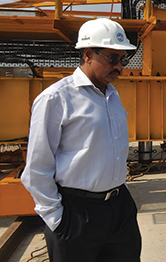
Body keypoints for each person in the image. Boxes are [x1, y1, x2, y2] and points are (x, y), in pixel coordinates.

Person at [22, 18, 141, 262]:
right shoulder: (56, 98)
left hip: (119, 210)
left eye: (123, 60)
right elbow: (37, 168)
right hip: (77, 214)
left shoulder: (112, 95)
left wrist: (124, 197)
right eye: (112, 58)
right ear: (88, 54)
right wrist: (57, 219)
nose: (119, 66)